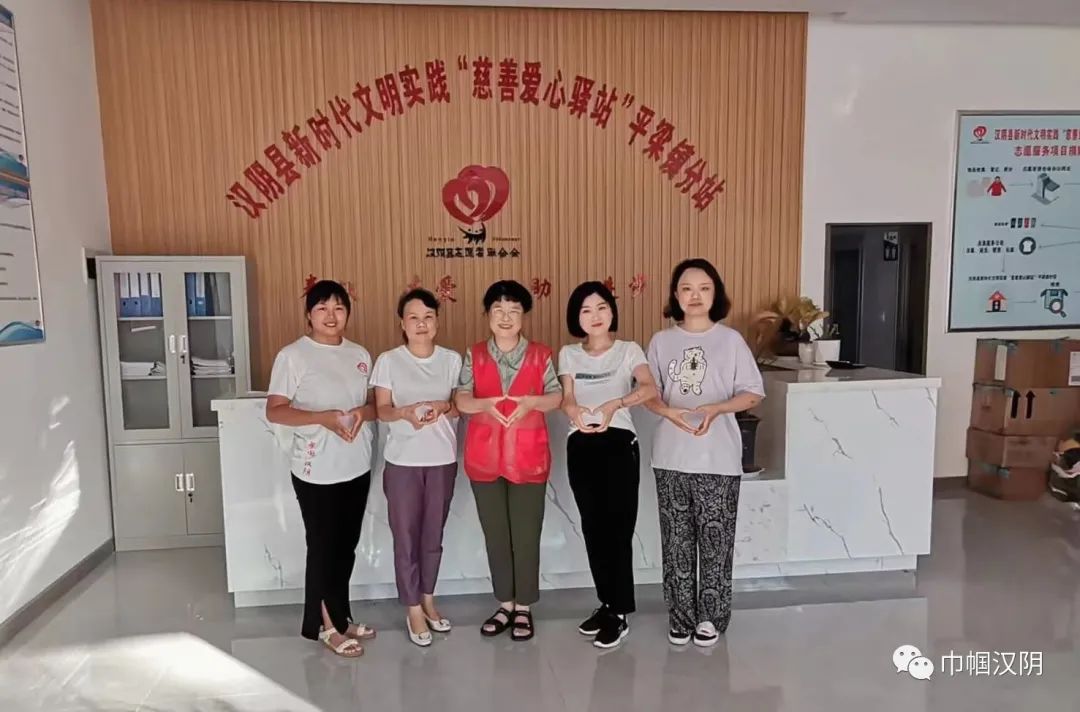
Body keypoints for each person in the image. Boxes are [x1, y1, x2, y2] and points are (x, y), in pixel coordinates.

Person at [644, 258, 764, 648]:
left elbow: (753, 392)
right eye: (686, 288)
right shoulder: (660, 342)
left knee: (716, 542)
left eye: (704, 288)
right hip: (670, 456)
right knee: (676, 542)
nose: (694, 296)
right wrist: (666, 411)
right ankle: (680, 617)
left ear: (716, 294)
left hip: (719, 457)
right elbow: (649, 394)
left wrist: (718, 408)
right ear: (675, 296)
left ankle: (711, 617)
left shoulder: (730, 341)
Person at [265, 279, 378, 658]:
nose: (331, 316)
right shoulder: (293, 356)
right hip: (315, 469)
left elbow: (373, 406)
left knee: (346, 547)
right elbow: (275, 410)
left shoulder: (360, 354)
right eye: (322, 308)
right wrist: (322, 418)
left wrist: (362, 413)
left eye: (339, 308)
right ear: (308, 315)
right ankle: (325, 626)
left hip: (356, 464)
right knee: (323, 547)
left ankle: (342, 618)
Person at [454, 280, 562, 641]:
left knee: (526, 535)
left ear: (523, 316)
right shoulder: (474, 354)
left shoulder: (541, 355)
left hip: (529, 456)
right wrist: (483, 404)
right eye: (498, 310)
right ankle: (505, 603)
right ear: (487, 314)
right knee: (496, 535)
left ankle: (524, 607)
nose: (505, 317)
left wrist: (531, 403)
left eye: (513, 310)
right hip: (484, 458)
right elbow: (461, 398)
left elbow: (556, 396)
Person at [558, 281, 658, 649]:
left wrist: (617, 404)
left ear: (612, 312)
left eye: (601, 307)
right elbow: (566, 398)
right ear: (577, 318)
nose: (595, 315)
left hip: (619, 444)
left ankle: (620, 611)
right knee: (593, 529)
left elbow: (649, 387)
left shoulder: (629, 350)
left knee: (617, 530)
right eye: (586, 310)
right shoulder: (569, 354)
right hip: (581, 443)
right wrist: (574, 411)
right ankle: (607, 603)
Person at [370, 288, 461, 648]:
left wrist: (443, 406)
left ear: (437, 321)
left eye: (428, 317)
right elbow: (382, 410)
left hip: (442, 460)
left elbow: (461, 406)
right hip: (403, 463)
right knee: (406, 538)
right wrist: (405, 413)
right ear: (402, 324)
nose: (421, 324)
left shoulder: (452, 360)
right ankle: (412, 608)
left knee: (432, 537)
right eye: (414, 318)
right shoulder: (388, 361)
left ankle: (428, 599)